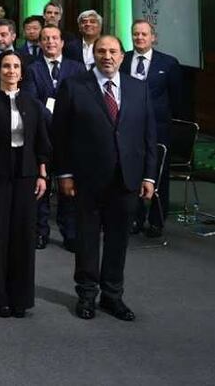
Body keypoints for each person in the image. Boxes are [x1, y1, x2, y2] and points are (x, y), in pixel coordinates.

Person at [53, 35, 157, 322]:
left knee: (118, 240)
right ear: (93, 55)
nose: (107, 56)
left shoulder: (139, 88)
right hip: (86, 179)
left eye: (113, 51)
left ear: (122, 56)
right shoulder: (74, 86)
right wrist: (64, 173)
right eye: (101, 51)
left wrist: (149, 176)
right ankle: (86, 295)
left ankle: (113, 296)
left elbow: (149, 136)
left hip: (127, 178)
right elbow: (60, 135)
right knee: (87, 239)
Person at [0, 52, 51, 318]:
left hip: (27, 172)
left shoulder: (32, 102)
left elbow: (41, 139)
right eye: (6, 66)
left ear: (22, 72)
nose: (11, 70)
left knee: (23, 236)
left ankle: (20, 298)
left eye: (16, 66)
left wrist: (42, 174)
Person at [21, 25, 84, 251]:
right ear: (40, 43)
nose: (50, 42)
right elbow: (31, 100)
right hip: (43, 134)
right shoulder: (31, 69)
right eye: (45, 39)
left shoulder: (77, 68)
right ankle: (40, 232)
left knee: (69, 188)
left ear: (62, 42)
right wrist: (53, 117)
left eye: (54, 38)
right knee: (42, 187)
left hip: (70, 137)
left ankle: (70, 233)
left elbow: (81, 98)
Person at [124, 18, 183, 238]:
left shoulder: (169, 63)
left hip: (159, 129)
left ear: (153, 37)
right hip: (129, 127)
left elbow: (177, 99)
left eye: (144, 34)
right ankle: (135, 218)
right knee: (132, 174)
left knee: (158, 175)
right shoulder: (124, 59)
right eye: (135, 34)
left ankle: (157, 220)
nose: (139, 38)